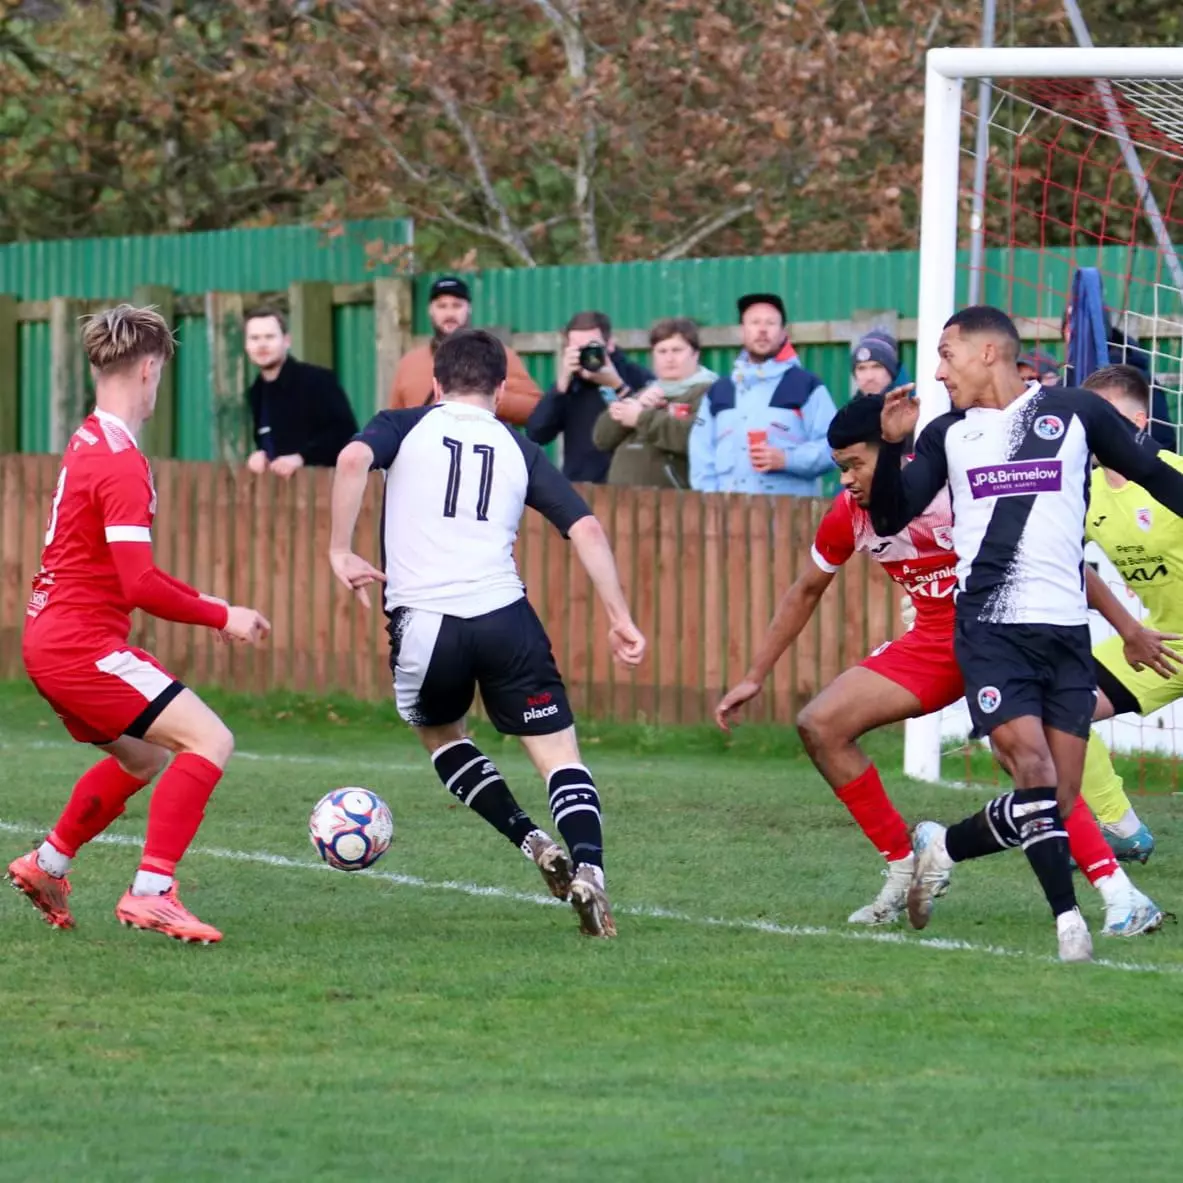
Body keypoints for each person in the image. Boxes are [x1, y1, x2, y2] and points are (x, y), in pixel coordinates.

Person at [714, 395, 1164, 936]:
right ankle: (905, 865)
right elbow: (805, 590)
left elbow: (1061, 561)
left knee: (1031, 765)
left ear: (894, 451)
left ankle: (1118, 891)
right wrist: (753, 676)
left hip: (995, 635)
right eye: (841, 469)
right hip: (931, 644)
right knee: (820, 723)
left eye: (856, 464)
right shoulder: (849, 515)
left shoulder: (956, 484)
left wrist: (1128, 627)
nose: (848, 480)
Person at [867, 304, 1183, 961]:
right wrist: (891, 447)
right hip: (988, 630)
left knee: (1055, 796)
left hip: (1064, 633)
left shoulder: (1074, 411)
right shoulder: (944, 434)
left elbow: (1154, 475)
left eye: (945, 354)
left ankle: (943, 844)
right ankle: (1069, 924)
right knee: (1034, 770)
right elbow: (891, 516)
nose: (936, 370)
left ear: (988, 352)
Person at [328, 330, 646, 937]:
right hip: (506, 618)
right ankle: (592, 872)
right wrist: (619, 617)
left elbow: (349, 460)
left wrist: (339, 550)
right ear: (501, 390)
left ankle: (531, 841)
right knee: (558, 755)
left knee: (443, 736)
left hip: (425, 623)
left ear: (436, 384)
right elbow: (587, 531)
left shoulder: (403, 423)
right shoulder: (517, 446)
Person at [9, 305, 271, 944]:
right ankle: (152, 891)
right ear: (150, 368)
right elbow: (140, 585)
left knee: (144, 755)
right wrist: (222, 613)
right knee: (211, 741)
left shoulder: (88, 438)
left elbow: (129, 574)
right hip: (80, 648)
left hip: (49, 639)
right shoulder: (122, 461)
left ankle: (47, 864)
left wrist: (208, 602)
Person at [1075, 363, 1183, 862]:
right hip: (1164, 643)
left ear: (1138, 423)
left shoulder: (1174, 477)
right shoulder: (1084, 491)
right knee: (1059, 703)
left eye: (1103, 417)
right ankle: (1120, 827)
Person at [689, 293, 836, 496]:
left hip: (791, 519)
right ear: (742, 331)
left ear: (784, 333)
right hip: (728, 518)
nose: (762, 330)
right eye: (755, 322)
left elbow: (834, 448)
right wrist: (711, 507)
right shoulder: (719, 391)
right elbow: (701, 456)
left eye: (771, 323)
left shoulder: (806, 386)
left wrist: (787, 459)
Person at [388, 275, 541, 426]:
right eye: (442, 306)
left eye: (457, 305)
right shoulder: (409, 363)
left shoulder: (498, 355)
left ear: (469, 309)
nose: (449, 314)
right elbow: (394, 422)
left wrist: (484, 396)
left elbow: (535, 409)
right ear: (430, 311)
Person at [526, 310, 654, 484]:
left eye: (592, 347)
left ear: (610, 345)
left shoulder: (636, 376)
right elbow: (537, 433)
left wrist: (616, 385)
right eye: (578, 349)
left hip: (628, 489)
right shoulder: (570, 385)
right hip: (581, 488)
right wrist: (561, 385)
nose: (587, 354)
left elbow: (652, 426)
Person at [590, 317, 717, 488]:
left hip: (677, 505)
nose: (669, 358)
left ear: (695, 354)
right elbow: (601, 439)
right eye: (662, 351)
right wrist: (635, 404)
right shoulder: (646, 392)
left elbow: (694, 438)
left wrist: (641, 418)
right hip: (622, 503)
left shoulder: (709, 392)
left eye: (677, 350)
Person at [244, 306, 359, 478]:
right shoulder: (256, 392)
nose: (262, 344)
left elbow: (345, 434)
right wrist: (260, 456)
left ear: (287, 341)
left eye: (270, 337)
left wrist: (301, 458)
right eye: (254, 338)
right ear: (246, 345)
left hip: (324, 488)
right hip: (282, 496)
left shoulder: (317, 380)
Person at [851, 330, 910, 397]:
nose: (869, 377)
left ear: (892, 372)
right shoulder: (854, 405)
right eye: (861, 368)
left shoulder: (915, 404)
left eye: (877, 367)